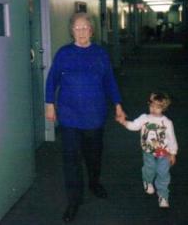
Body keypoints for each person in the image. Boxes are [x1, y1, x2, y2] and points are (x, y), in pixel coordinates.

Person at [45, 12, 126, 222]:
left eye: (85, 28)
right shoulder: (64, 53)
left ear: (91, 30)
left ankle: (94, 182)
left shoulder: (100, 53)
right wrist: (49, 104)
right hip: (70, 115)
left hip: (94, 114)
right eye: (77, 28)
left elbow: (109, 81)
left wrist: (118, 105)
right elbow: (52, 80)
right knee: (71, 159)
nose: (81, 32)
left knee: (93, 155)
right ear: (72, 31)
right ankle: (74, 201)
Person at [119, 92, 178, 208]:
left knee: (163, 173)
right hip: (148, 151)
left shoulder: (167, 122)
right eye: (151, 106)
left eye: (157, 108)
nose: (153, 109)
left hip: (163, 153)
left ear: (163, 108)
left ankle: (163, 195)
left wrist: (173, 153)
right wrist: (124, 122)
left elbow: (172, 138)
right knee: (149, 168)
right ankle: (148, 181)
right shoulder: (144, 118)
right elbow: (134, 126)